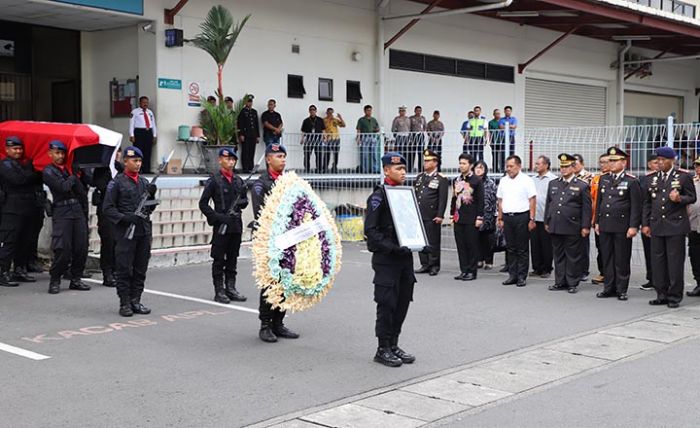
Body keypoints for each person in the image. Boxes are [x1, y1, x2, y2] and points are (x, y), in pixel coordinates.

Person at [365, 152, 418, 367]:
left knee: (403, 301)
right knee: (386, 303)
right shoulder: (378, 197)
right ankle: (383, 348)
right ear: (386, 170)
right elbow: (371, 230)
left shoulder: (405, 194)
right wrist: (392, 248)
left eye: (404, 169)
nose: (403, 172)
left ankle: (394, 343)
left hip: (405, 257)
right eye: (398, 169)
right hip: (387, 259)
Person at [103, 146, 158, 317]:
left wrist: (152, 197)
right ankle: (124, 302)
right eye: (134, 161)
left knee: (140, 267)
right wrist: (125, 218)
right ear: (125, 161)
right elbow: (108, 208)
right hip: (126, 231)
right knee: (124, 268)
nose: (138, 164)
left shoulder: (143, 182)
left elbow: (150, 208)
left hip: (143, 230)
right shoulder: (116, 183)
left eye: (140, 161)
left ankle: (136, 300)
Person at [252, 143, 299, 342]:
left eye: (284, 156)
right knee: (270, 281)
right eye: (278, 156)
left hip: (289, 239)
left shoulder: (289, 182)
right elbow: (261, 213)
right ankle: (265, 324)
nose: (283, 159)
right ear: (268, 159)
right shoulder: (261, 184)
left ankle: (279, 322)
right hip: (270, 240)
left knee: (286, 281)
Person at [642, 146, 696, 308]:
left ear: (672, 160)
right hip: (657, 225)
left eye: (663, 160)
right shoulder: (651, 178)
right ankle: (661, 294)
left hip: (675, 225)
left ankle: (674, 296)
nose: (660, 163)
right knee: (658, 262)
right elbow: (647, 203)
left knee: (674, 262)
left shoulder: (683, 177)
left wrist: (679, 198)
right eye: (657, 160)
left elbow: (692, 197)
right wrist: (645, 224)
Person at [199, 147, 248, 304]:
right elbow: (203, 204)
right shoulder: (214, 180)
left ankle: (230, 288)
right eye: (227, 159)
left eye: (233, 159)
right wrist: (217, 217)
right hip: (221, 225)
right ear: (220, 160)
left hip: (235, 225)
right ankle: (219, 290)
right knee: (219, 258)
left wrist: (244, 197)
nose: (231, 162)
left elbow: (243, 203)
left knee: (233, 257)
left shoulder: (238, 181)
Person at [42, 140, 91, 294]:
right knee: (63, 248)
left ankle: (76, 278)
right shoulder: (49, 171)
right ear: (50, 154)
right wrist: (73, 176)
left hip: (76, 210)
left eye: (62, 153)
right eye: (57, 153)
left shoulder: (69, 170)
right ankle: (55, 279)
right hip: (62, 211)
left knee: (81, 247)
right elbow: (62, 187)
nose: (60, 156)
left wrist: (80, 175)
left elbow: (83, 190)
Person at [593, 147, 641, 301]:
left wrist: (633, 226)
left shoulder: (631, 181)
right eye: (610, 161)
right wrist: (597, 222)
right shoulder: (604, 179)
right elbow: (599, 202)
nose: (611, 164)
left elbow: (635, 206)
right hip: (606, 224)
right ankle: (609, 287)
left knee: (621, 258)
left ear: (623, 162)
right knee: (607, 257)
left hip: (622, 225)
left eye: (614, 161)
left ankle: (621, 289)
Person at [545, 154, 592, 294]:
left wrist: (585, 226)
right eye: (562, 167)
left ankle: (572, 282)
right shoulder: (554, 183)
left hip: (572, 225)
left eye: (566, 167)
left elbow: (586, 208)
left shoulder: (582, 185)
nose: (563, 169)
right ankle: (560, 281)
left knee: (572, 256)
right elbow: (549, 204)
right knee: (558, 255)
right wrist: (547, 220)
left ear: (573, 167)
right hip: (556, 225)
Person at [0, 136, 41, 287]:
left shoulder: (23, 164)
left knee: (24, 240)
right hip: (11, 208)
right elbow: (18, 180)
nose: (18, 151)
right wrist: (33, 174)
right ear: (7, 149)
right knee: (9, 241)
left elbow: (31, 179)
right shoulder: (5, 164)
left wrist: (31, 174)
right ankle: (3, 272)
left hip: (27, 207)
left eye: (20, 149)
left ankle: (19, 269)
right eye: (15, 149)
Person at [497, 155, 536, 287]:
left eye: (511, 166)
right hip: (508, 217)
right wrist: (500, 217)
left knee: (522, 248)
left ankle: (521, 276)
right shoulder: (503, 181)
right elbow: (500, 200)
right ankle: (512, 275)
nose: (508, 169)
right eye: (507, 166)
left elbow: (532, 200)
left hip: (522, 216)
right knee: (510, 248)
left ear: (519, 166)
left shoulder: (526, 180)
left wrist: (532, 218)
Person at [90, 148, 123, 287]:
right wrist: (110, 170)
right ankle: (107, 273)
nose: (117, 155)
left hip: (120, 209)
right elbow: (101, 185)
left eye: (118, 152)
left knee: (118, 242)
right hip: (106, 209)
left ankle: (116, 270)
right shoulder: (102, 169)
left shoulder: (121, 168)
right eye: (114, 152)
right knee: (108, 241)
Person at [414, 150, 448, 276]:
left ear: (435, 162)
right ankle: (425, 263)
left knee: (433, 240)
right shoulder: (420, 177)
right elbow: (417, 195)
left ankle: (434, 265)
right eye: (425, 160)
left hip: (432, 214)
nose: (425, 163)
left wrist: (440, 215)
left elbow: (442, 199)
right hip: (420, 213)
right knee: (421, 240)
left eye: (428, 161)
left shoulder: (440, 179)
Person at [451, 154, 484, 281]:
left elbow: (481, 200)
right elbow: (454, 198)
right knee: (461, 245)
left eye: (464, 163)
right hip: (459, 217)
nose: (461, 166)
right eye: (460, 163)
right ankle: (463, 270)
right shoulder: (458, 179)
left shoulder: (476, 180)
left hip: (471, 217)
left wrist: (479, 217)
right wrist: (451, 214)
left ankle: (472, 271)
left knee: (471, 245)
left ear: (470, 165)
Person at [531, 155, 556, 278]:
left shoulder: (553, 179)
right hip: (534, 216)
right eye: (536, 164)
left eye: (538, 164)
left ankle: (547, 268)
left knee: (546, 244)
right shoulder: (532, 179)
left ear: (546, 165)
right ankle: (537, 267)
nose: (536, 166)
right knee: (535, 244)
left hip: (546, 217)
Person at [589, 154, 611, 285]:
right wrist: (593, 218)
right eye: (600, 162)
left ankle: (612, 273)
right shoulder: (596, 179)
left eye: (605, 162)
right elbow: (592, 200)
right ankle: (603, 272)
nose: (602, 165)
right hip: (599, 218)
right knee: (600, 247)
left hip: (612, 218)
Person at [638, 154, 659, 291]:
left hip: (662, 221)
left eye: (660, 162)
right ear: (649, 164)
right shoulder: (643, 180)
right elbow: (642, 202)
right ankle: (651, 278)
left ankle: (662, 280)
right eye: (655, 162)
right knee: (649, 251)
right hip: (648, 220)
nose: (658, 164)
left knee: (662, 252)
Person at [572, 154, 594, 282]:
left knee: (583, 244)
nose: (573, 166)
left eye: (575, 164)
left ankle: (583, 270)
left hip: (584, 213)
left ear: (582, 163)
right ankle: (573, 269)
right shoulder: (569, 177)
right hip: (571, 215)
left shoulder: (589, 177)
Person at [474, 160, 497, 270]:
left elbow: (495, 199)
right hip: (475, 215)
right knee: (477, 238)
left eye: (481, 168)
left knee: (488, 239)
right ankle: (479, 259)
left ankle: (489, 261)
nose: (478, 170)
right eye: (477, 167)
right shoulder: (471, 182)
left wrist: (495, 215)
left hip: (488, 215)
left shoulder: (490, 183)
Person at [129, 96, 157, 173]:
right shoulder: (134, 112)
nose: (146, 104)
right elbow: (131, 124)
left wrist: (154, 135)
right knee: (138, 152)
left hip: (148, 132)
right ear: (140, 103)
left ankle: (146, 169)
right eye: (144, 102)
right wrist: (131, 134)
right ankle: (138, 169)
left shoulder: (150, 112)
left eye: (147, 102)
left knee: (148, 152)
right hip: (139, 132)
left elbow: (153, 124)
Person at [686, 156, 700, 298]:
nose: (698, 168)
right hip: (694, 225)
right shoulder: (692, 182)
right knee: (695, 256)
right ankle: (699, 282)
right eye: (696, 166)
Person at [236, 94, 260, 173]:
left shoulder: (254, 112)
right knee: (245, 151)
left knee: (252, 152)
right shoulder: (242, 111)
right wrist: (241, 134)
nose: (249, 103)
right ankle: (245, 168)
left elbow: (256, 124)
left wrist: (257, 135)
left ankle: (251, 167)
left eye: (251, 102)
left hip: (253, 135)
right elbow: (240, 123)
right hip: (245, 135)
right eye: (248, 102)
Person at [301, 105, 326, 173]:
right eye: (311, 110)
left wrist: (324, 137)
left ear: (316, 111)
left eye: (313, 110)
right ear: (309, 111)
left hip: (318, 140)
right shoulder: (306, 121)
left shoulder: (320, 120)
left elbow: (323, 130)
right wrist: (302, 139)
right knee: (307, 155)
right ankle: (307, 170)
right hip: (309, 140)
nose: (312, 111)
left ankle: (319, 170)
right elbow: (303, 131)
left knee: (319, 155)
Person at [356, 105, 380, 174]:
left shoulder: (374, 119)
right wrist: (358, 138)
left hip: (373, 137)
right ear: (364, 111)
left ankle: (375, 169)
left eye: (370, 110)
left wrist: (376, 129)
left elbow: (377, 128)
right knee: (364, 155)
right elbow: (358, 129)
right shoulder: (361, 120)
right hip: (365, 138)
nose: (369, 112)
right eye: (368, 110)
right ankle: (364, 170)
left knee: (374, 154)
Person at [323, 108, 345, 173]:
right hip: (328, 139)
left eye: (332, 113)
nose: (330, 114)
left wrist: (340, 118)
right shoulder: (324, 120)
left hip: (336, 138)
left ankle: (334, 167)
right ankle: (325, 168)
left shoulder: (335, 120)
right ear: (327, 113)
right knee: (327, 154)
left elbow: (343, 125)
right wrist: (324, 137)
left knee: (336, 154)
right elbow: (322, 129)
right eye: (329, 113)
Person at [391, 106, 411, 170]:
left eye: (404, 111)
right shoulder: (397, 119)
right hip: (399, 136)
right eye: (401, 111)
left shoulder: (408, 119)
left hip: (407, 137)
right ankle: (398, 166)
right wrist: (396, 135)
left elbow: (410, 128)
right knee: (399, 152)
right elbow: (393, 129)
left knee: (406, 152)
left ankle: (406, 166)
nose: (402, 112)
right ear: (399, 112)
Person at [409, 106, 427, 172]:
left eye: (420, 110)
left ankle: (421, 169)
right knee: (412, 153)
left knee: (421, 153)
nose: (418, 112)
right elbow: (409, 127)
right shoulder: (411, 118)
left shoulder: (423, 118)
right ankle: (410, 169)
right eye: (417, 110)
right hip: (413, 135)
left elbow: (425, 127)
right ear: (414, 111)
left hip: (420, 135)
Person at [489, 109, 504, 173]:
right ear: (493, 114)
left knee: (502, 156)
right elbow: (489, 132)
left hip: (502, 141)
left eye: (499, 113)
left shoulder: (503, 121)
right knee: (494, 156)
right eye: (496, 113)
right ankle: (495, 170)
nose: (498, 115)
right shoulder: (491, 122)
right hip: (494, 141)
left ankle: (502, 169)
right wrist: (490, 141)